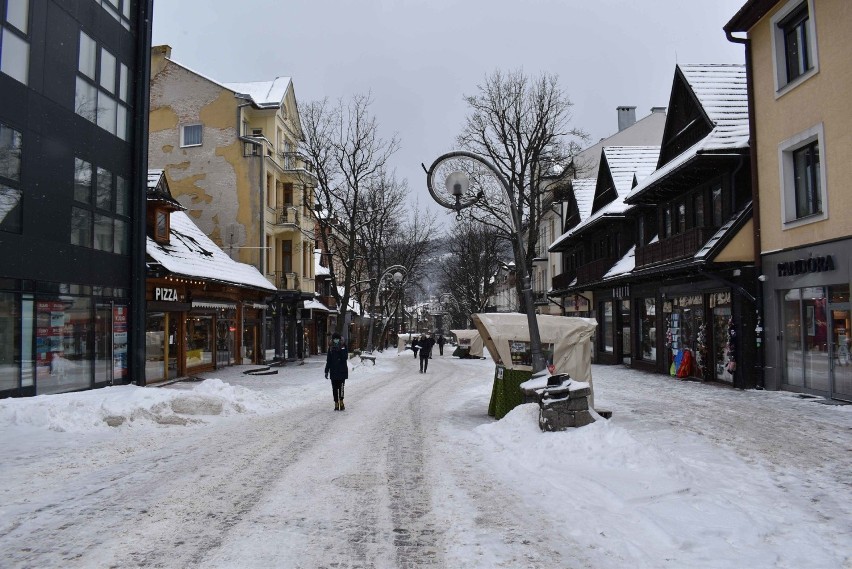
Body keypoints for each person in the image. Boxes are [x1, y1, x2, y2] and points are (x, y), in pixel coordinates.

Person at [324, 332, 348, 411]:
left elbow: (345, 357)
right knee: (334, 388)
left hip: (342, 370)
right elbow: (329, 360)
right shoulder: (331, 347)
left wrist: (340, 350)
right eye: (334, 339)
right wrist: (326, 371)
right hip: (334, 370)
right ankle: (336, 403)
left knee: (341, 387)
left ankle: (341, 401)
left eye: (337, 339)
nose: (336, 340)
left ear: (340, 339)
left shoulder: (343, 346)